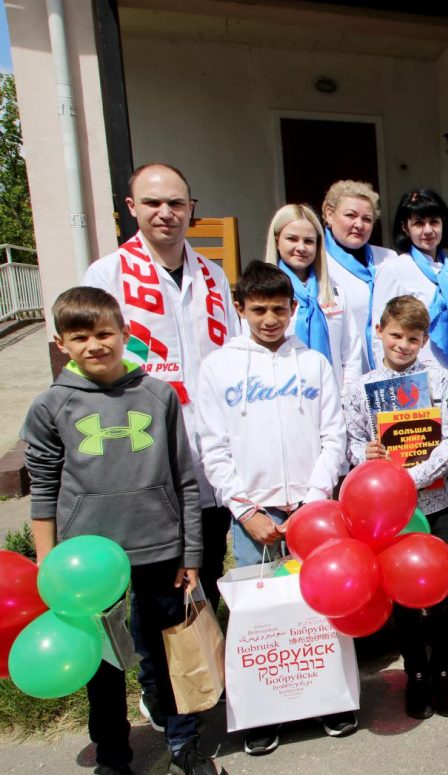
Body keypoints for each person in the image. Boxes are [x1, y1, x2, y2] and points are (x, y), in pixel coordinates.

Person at [22, 287, 229, 775]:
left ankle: (183, 745)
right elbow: (43, 487)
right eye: (80, 336)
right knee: (105, 666)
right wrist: (48, 563)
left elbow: (185, 479)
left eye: (104, 333)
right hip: (87, 563)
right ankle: (114, 760)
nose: (94, 345)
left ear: (124, 335)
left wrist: (192, 552)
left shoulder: (157, 395)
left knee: (168, 653)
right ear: (61, 343)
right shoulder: (52, 405)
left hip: (159, 547)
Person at [83, 162, 234, 729]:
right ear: (132, 208)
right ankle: (163, 697)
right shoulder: (109, 274)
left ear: (192, 208)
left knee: (209, 579)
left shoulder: (215, 277)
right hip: (145, 466)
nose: (166, 213)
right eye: (153, 204)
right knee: (155, 596)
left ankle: (200, 682)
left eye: (176, 203)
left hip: (211, 457)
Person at [194, 262, 350, 755]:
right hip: (254, 515)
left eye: (278, 309)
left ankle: (331, 699)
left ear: (293, 309)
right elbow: (212, 448)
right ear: (239, 308)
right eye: (258, 309)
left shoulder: (314, 364)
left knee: (322, 606)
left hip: (311, 510)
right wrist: (245, 511)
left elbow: (334, 435)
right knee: (259, 617)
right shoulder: (218, 367)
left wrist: (314, 501)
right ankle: (263, 711)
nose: (269, 319)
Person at [343, 296, 448, 717]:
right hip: (389, 516)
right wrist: (368, 454)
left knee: (443, 593)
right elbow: (351, 443)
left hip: (437, 502)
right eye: (395, 335)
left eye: (412, 338)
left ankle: (443, 674)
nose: (402, 345)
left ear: (424, 339)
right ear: (379, 331)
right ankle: (416, 674)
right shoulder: (361, 388)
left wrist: (409, 481)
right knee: (403, 596)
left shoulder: (438, 380)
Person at [265, 203, 364, 390]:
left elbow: (350, 352)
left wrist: (347, 396)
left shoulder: (333, 292)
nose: (301, 247)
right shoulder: (262, 294)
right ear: (277, 240)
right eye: (292, 239)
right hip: (283, 396)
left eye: (309, 241)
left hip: (333, 399)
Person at [372, 189, 448, 373]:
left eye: (434, 222)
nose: (428, 230)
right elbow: (379, 335)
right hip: (413, 377)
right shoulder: (393, 269)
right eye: (419, 223)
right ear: (405, 227)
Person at [321, 180, 400, 372]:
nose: (359, 224)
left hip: (389, 371)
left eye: (367, 219)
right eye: (350, 215)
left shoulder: (388, 259)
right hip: (344, 371)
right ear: (329, 215)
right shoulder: (319, 262)